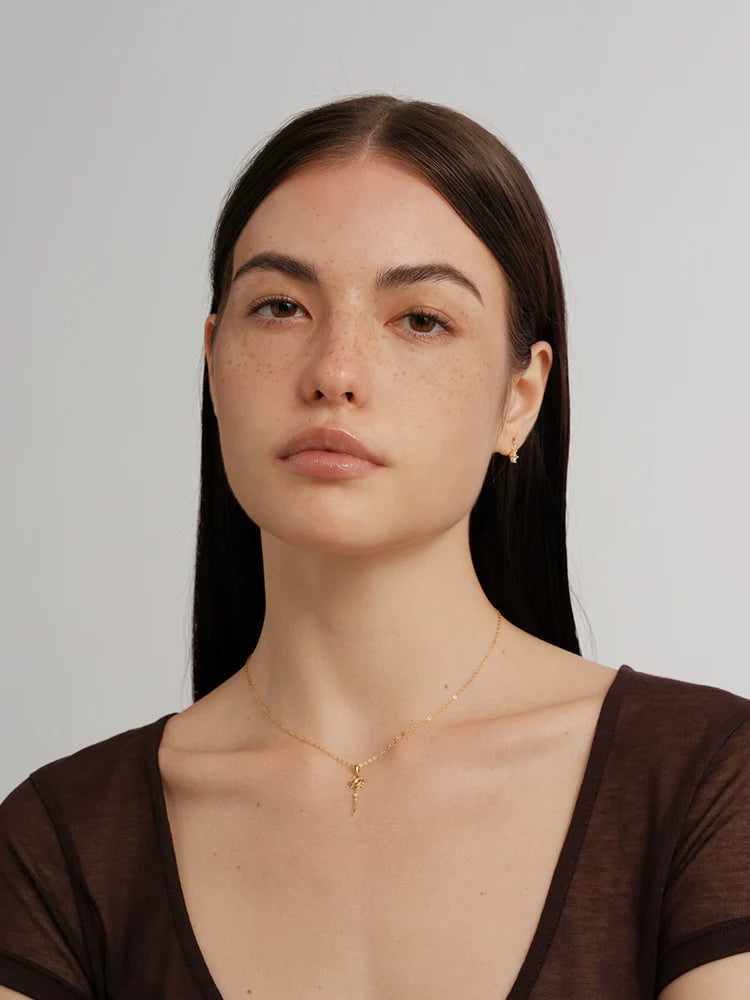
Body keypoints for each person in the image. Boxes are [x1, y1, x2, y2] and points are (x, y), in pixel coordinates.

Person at [1, 93, 749, 1000]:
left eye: (420, 319)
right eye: (280, 307)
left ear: (520, 398)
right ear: (213, 362)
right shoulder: (58, 845)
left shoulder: (706, 782)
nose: (335, 373)